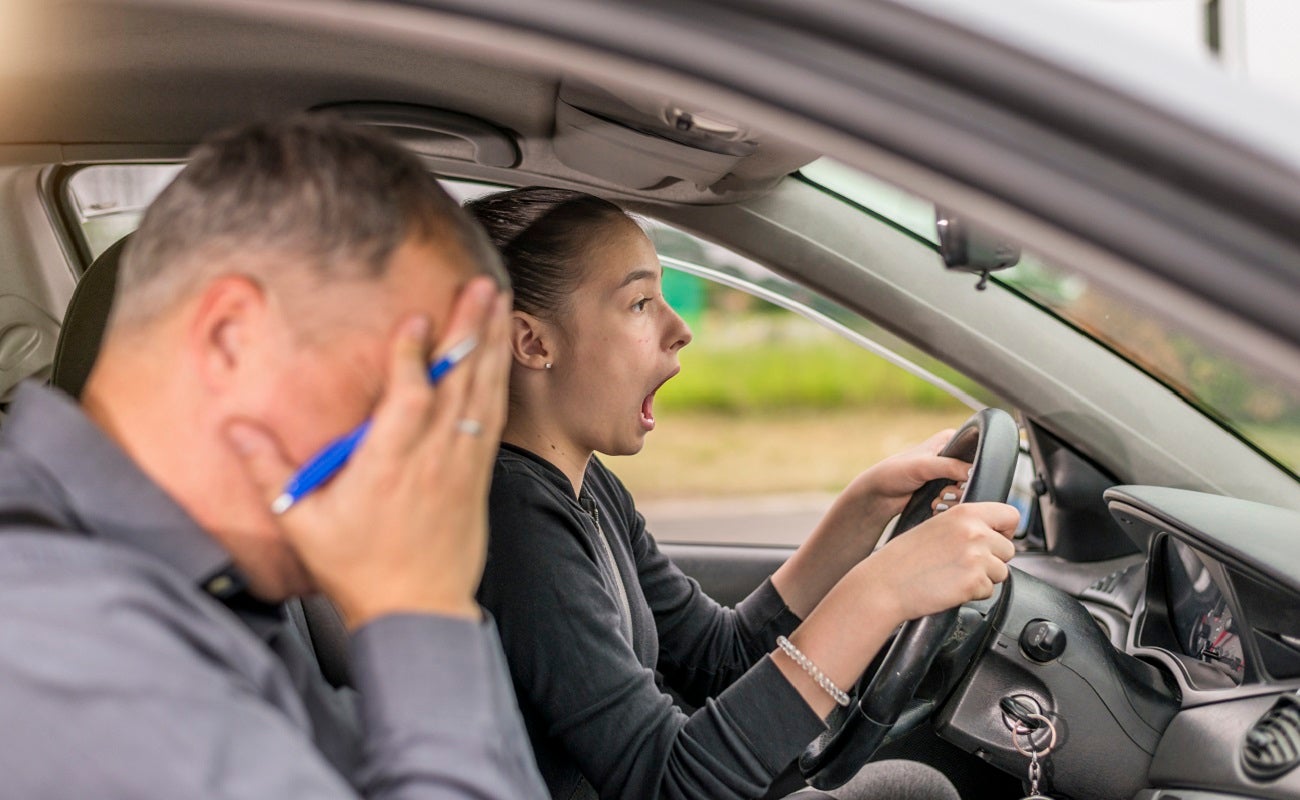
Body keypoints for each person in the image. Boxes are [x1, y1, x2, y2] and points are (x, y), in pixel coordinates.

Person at [0, 116, 548, 799]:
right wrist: (420, 608)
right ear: (231, 338)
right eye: (406, 391)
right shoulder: (50, 629)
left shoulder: (211, 590)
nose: (428, 455)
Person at [468, 187, 1020, 800]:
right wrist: (882, 592)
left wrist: (866, 506)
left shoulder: (585, 485)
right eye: (641, 303)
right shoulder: (513, 520)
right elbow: (671, 785)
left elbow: (719, 658)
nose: (680, 329)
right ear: (532, 342)